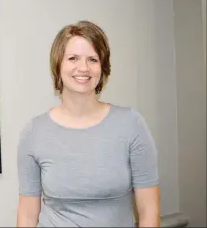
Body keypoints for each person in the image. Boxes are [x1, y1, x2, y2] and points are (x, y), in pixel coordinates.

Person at [16, 20, 160, 227]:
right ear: (58, 64)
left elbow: (150, 211)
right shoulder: (34, 132)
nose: (83, 68)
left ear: (102, 68)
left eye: (93, 59)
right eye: (73, 58)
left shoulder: (131, 124)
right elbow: (27, 214)